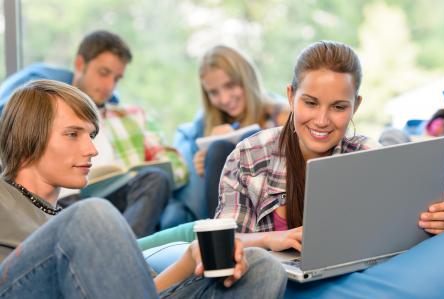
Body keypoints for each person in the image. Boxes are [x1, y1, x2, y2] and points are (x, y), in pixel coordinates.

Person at [0, 80, 287, 298]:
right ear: (28, 136)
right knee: (91, 213)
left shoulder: (68, 221)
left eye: (91, 136)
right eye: (73, 134)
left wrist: (190, 258)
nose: (91, 149)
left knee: (262, 266)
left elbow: (146, 291)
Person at [215, 41, 444, 251]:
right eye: (310, 103)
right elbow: (221, 243)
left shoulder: (370, 157)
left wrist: (438, 224)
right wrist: (271, 239)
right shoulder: (249, 156)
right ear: (291, 96)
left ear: (356, 106)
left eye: (339, 107)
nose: (321, 120)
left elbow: (399, 238)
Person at [0, 30, 189, 237]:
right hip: (71, 200)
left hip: (115, 196)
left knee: (161, 187)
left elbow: (176, 166)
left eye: (117, 79)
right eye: (103, 73)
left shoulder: (129, 117)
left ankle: (123, 251)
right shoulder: (43, 109)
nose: (109, 86)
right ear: (80, 65)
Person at [173, 45, 289, 223]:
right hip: (228, 217)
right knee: (219, 148)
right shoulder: (211, 127)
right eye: (214, 92)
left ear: (246, 80)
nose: (225, 99)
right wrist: (204, 164)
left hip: (275, 209)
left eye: (230, 85)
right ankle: (222, 236)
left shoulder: (281, 114)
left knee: (251, 137)